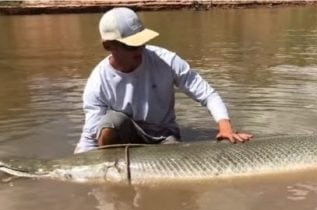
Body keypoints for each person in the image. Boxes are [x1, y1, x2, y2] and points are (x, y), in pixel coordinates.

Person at [74, 7, 252, 153]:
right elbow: (90, 137)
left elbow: (207, 94)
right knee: (110, 123)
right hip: (127, 135)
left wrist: (225, 127)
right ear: (108, 46)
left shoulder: (166, 60)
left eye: (141, 42)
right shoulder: (98, 82)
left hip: (164, 135)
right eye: (131, 45)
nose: (140, 49)